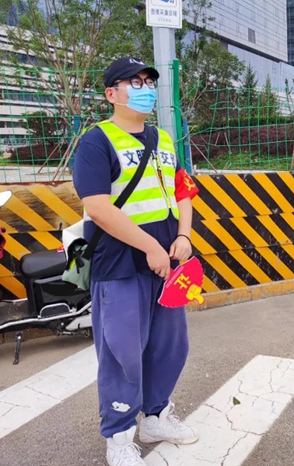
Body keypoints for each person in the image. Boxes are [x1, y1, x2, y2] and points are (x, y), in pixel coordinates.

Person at [73, 57, 200, 466]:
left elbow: (184, 192)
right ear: (112, 93)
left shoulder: (164, 139)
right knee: (122, 351)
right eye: (135, 81)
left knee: (170, 344)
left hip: (168, 259)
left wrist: (183, 234)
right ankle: (119, 435)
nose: (145, 88)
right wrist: (149, 246)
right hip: (121, 261)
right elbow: (97, 207)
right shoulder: (97, 141)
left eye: (149, 81)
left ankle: (157, 416)